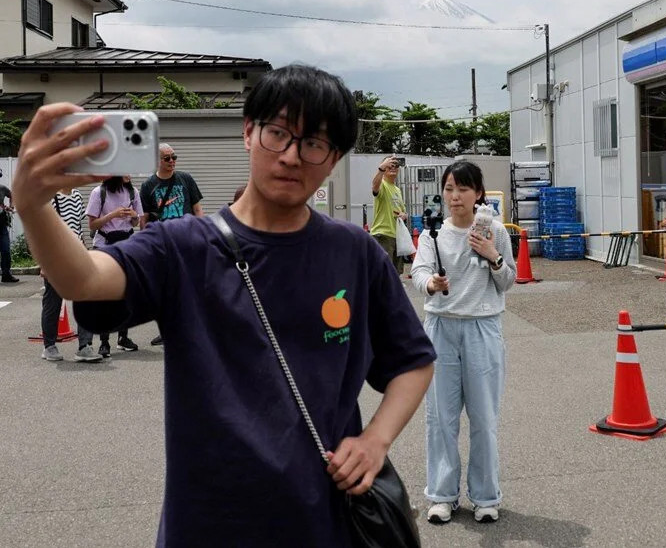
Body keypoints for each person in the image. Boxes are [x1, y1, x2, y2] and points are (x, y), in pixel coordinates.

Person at [13, 65, 436, 546]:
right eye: (278, 133)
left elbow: (413, 361)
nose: (293, 156)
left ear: (334, 158)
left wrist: (375, 439)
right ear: (249, 132)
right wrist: (32, 205)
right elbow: (83, 279)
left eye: (314, 143)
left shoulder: (354, 253)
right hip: (208, 522)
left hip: (324, 520)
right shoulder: (180, 247)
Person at [410, 160, 515, 525]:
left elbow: (508, 280)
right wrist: (431, 285)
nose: (455, 197)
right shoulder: (432, 233)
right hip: (440, 327)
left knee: (484, 418)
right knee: (440, 417)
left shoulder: (496, 231)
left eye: (463, 189)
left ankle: (486, 497)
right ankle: (442, 496)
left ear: (478, 194)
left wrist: (493, 255)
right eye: (450, 189)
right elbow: (419, 272)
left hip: (483, 327)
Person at [140, 144, 203, 346]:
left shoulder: (186, 179)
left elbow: (197, 208)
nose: (172, 161)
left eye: (174, 157)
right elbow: (145, 219)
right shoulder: (149, 185)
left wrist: (202, 233)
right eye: (167, 158)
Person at [41, 187, 102, 363]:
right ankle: (49, 346)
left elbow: (78, 228)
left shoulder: (76, 196)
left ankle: (84, 346)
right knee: (53, 302)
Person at [86, 176, 143, 356]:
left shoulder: (133, 192)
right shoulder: (98, 193)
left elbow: (137, 222)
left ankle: (123, 337)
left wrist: (134, 216)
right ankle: (104, 341)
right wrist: (113, 215)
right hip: (104, 245)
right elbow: (92, 224)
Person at [370, 155, 407, 274]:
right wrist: (380, 169)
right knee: (383, 272)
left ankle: (393, 292)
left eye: (396, 166)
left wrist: (403, 215)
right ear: (385, 168)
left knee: (396, 273)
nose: (393, 167)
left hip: (397, 236)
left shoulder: (397, 189)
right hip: (383, 235)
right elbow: (375, 187)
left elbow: (404, 211)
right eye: (390, 165)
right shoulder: (382, 184)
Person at [0, 168, 16, 283]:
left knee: (5, 249)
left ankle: (6, 274)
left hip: (1, 223)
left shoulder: (2, 188)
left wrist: (11, 206)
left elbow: (12, 195)